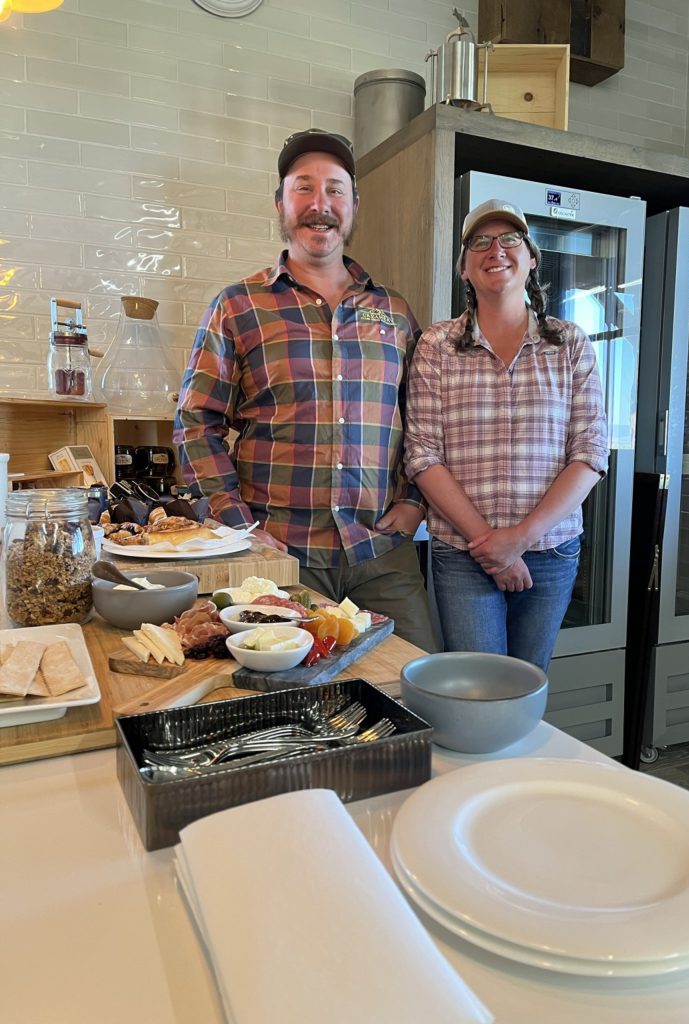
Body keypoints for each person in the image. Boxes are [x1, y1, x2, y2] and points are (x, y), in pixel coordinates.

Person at [174, 128, 438, 651]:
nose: (321, 204)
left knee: (417, 691)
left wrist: (414, 503)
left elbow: (427, 424)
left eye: (335, 190)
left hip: (383, 555)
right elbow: (195, 424)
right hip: (281, 560)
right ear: (281, 203)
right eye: (304, 188)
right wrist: (239, 528)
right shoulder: (237, 306)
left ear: (354, 206)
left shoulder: (396, 313)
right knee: (296, 707)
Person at [404, 198, 609, 671]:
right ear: (464, 268)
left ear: (531, 258)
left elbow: (590, 452)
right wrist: (491, 545)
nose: (496, 249)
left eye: (510, 238)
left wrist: (519, 538)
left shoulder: (570, 344)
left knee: (528, 681)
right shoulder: (437, 345)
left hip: (551, 549)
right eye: (480, 241)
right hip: (463, 553)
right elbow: (421, 454)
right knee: (479, 686)